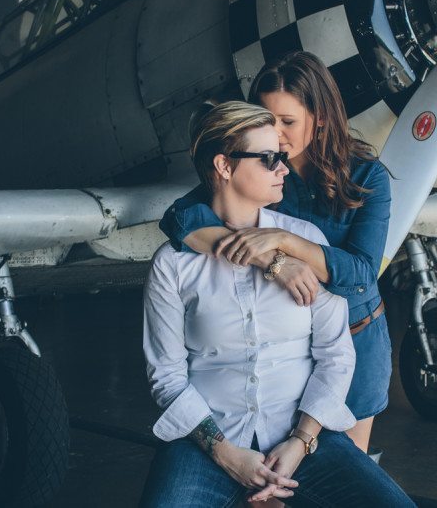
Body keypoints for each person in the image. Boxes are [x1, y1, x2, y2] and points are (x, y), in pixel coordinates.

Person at [141, 101, 413, 506]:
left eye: (282, 158)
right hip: (208, 443)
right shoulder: (173, 264)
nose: (284, 168)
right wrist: (225, 453)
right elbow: (166, 376)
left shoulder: (305, 240)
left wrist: (301, 442)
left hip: (300, 437)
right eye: (270, 159)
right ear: (224, 166)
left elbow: (335, 354)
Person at [159, 51, 392, 453]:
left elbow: (362, 274)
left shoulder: (368, 176)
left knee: (352, 475)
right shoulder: (257, 173)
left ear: (319, 117)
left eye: (288, 121)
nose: (276, 132)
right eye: (267, 118)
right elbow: (180, 218)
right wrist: (272, 262)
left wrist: (285, 243)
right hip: (286, 355)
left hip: (357, 340)